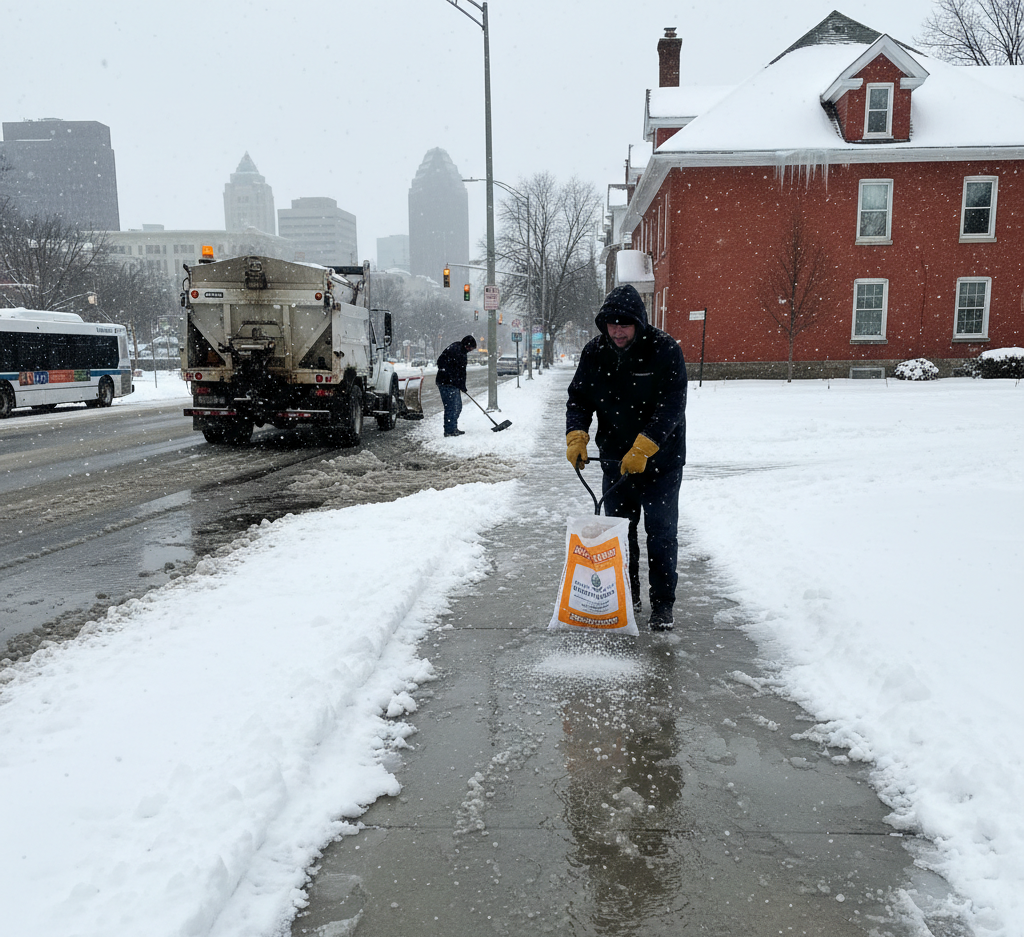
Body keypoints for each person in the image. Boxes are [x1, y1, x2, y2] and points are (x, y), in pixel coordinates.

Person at [565, 284, 687, 631]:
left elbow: (672, 405)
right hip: (616, 461)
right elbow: (579, 398)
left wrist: (645, 446)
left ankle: (663, 606)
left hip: (662, 463)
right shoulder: (595, 352)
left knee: (662, 534)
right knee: (619, 536)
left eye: (625, 324)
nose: (617, 331)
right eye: (611, 324)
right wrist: (576, 434)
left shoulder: (664, 350)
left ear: (639, 323)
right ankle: (625, 599)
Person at [435, 335, 477, 437]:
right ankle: (450, 430)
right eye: (471, 348)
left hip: (453, 384)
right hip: (446, 383)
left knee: (457, 406)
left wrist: (462, 385)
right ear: (467, 345)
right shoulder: (455, 349)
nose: (471, 350)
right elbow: (441, 362)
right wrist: (450, 376)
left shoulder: (461, 351)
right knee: (452, 407)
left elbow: (461, 372)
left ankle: (452, 427)